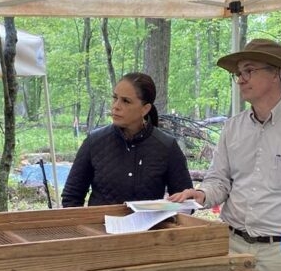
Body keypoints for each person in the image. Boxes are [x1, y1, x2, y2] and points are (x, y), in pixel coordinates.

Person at [170, 38, 281, 271]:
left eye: (249, 71)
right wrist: (201, 195)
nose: (241, 79)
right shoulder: (233, 127)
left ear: (276, 74)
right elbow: (219, 181)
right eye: (238, 73)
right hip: (230, 245)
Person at [61, 72, 192, 207]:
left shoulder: (166, 146)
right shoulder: (94, 142)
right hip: (100, 226)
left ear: (145, 109)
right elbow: (71, 197)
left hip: (149, 227)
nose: (116, 106)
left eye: (126, 101)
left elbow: (186, 202)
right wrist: (85, 227)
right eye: (115, 98)